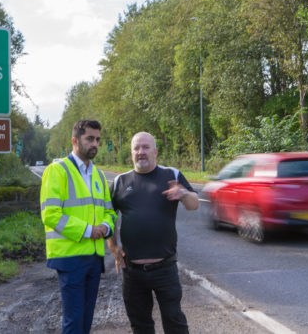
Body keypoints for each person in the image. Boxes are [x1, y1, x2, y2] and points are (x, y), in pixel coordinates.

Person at [108, 131, 199, 334]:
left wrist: (183, 193)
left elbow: (194, 205)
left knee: (175, 323)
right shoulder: (119, 182)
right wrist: (113, 247)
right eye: (136, 148)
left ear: (155, 151)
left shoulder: (171, 175)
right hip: (132, 272)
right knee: (140, 326)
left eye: (145, 147)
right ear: (131, 153)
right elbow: (108, 218)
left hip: (165, 269)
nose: (141, 152)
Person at [40, 119, 117, 334]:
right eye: (89, 139)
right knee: (74, 322)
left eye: (98, 140)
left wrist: (105, 226)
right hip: (70, 257)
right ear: (75, 140)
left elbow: (110, 212)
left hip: (94, 257)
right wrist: (88, 230)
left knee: (86, 320)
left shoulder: (99, 175)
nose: (95, 144)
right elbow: (50, 214)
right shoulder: (57, 170)